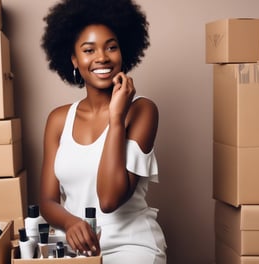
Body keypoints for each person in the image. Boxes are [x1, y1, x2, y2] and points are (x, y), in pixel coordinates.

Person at [39, 0, 167, 263]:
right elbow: (48, 201)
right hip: (77, 249)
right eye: (89, 50)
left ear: (124, 52)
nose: (102, 57)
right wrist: (72, 223)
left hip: (131, 245)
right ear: (74, 59)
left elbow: (109, 199)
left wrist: (116, 118)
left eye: (111, 47)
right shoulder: (58, 119)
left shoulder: (142, 111)